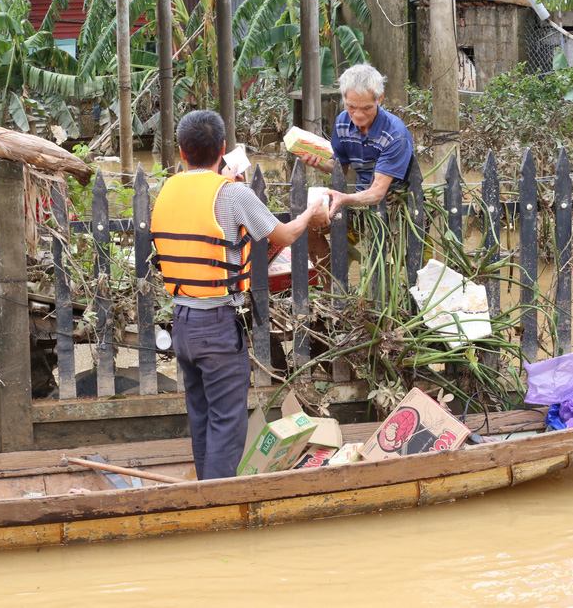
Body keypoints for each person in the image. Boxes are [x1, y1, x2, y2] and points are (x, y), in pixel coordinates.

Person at [151, 110, 329, 480]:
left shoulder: (167, 189)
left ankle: (204, 490)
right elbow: (284, 235)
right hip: (215, 325)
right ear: (222, 149)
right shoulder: (232, 193)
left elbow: (200, 214)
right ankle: (218, 506)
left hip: (181, 323)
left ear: (182, 153)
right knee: (227, 423)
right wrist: (311, 210)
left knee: (201, 417)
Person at [295, 64, 415, 270]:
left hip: (394, 208)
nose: (358, 115)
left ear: (380, 98)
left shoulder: (395, 134)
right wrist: (318, 161)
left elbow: (377, 193)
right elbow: (338, 168)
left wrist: (345, 199)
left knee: (396, 266)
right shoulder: (342, 122)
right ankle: (331, 288)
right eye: (351, 106)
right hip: (357, 202)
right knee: (308, 227)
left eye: (366, 108)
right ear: (343, 98)